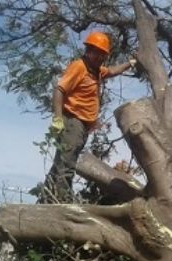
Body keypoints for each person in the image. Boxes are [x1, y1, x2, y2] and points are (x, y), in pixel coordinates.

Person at [44, 31, 136, 202]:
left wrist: (130, 63)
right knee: (67, 166)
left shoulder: (96, 71)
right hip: (72, 122)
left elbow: (112, 71)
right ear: (88, 50)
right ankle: (62, 203)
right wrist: (57, 119)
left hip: (82, 126)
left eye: (102, 54)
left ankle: (46, 201)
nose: (99, 56)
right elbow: (59, 90)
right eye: (96, 52)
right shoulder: (79, 67)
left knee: (61, 164)